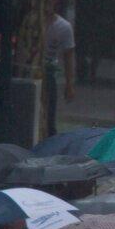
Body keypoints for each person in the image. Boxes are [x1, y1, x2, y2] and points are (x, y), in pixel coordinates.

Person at [43, 7, 75, 137]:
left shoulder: (63, 27)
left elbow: (69, 56)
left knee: (49, 115)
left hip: (48, 72)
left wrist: (69, 84)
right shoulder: (31, 21)